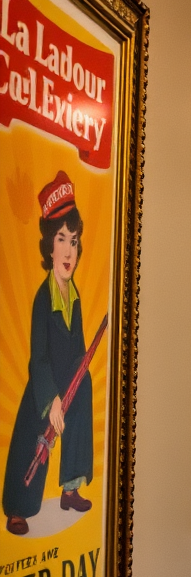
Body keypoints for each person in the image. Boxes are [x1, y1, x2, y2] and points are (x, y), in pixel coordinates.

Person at [3, 171, 94, 536]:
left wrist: (75, 383)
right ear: (49, 246)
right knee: (32, 440)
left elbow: (80, 351)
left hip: (68, 383)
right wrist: (52, 400)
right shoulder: (44, 299)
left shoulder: (76, 299)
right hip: (44, 390)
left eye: (74, 240)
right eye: (61, 239)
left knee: (84, 381)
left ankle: (70, 485)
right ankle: (18, 508)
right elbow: (36, 359)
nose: (69, 249)